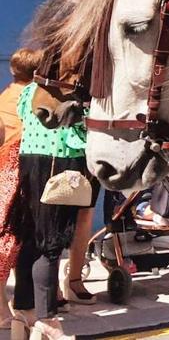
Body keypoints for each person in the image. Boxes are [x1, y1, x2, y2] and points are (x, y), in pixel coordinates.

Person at [8, 79, 86, 340]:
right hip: (60, 163)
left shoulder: (30, 90)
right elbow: (78, 134)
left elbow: (23, 115)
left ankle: (24, 310)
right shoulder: (70, 93)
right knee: (51, 243)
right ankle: (47, 319)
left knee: (30, 237)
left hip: (29, 160)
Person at [0, 49, 43, 329]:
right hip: (17, 172)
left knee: (13, 241)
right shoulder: (30, 98)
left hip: (7, 170)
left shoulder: (6, 95)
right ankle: (3, 308)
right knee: (10, 241)